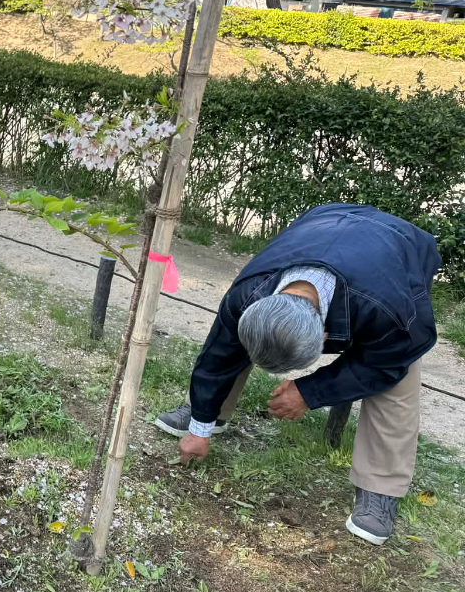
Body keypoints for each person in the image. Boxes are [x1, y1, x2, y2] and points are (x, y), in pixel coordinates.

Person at [152, 204, 440, 546]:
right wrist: (200, 427)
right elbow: (219, 354)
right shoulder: (250, 292)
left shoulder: (390, 312)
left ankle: (381, 487)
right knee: (236, 343)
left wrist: (310, 391)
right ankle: (208, 414)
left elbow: (386, 363)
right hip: (327, 222)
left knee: (397, 376)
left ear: (325, 336)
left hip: (400, 247)